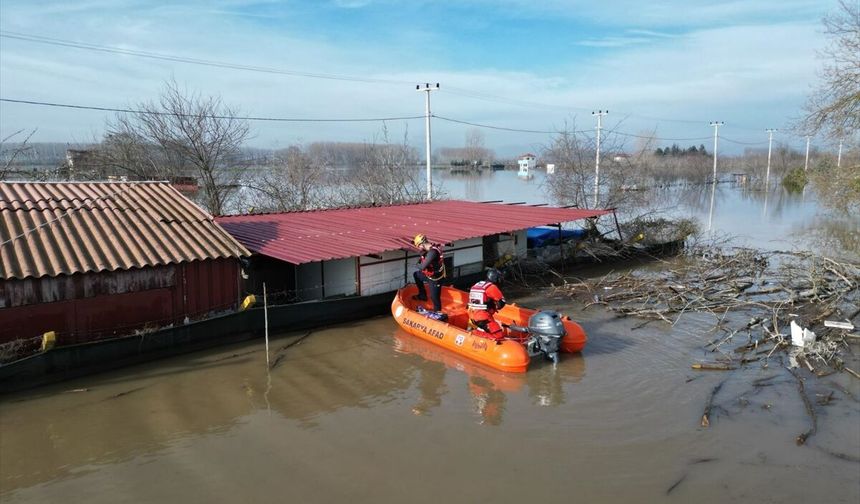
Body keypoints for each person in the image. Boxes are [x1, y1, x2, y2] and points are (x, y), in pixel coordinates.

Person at [468, 268, 507, 342]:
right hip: (483, 317)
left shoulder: (476, 285)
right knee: (499, 336)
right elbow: (501, 303)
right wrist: (494, 306)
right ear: (496, 279)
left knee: (490, 324)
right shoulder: (492, 287)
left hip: (472, 316)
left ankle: (478, 333)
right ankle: (475, 333)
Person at [412, 233, 446, 312]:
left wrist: (416, 264)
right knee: (416, 275)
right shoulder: (427, 250)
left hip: (436, 279)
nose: (419, 248)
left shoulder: (432, 253)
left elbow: (422, 266)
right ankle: (422, 295)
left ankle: (438, 313)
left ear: (422, 244)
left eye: (419, 246)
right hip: (429, 275)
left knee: (434, 298)